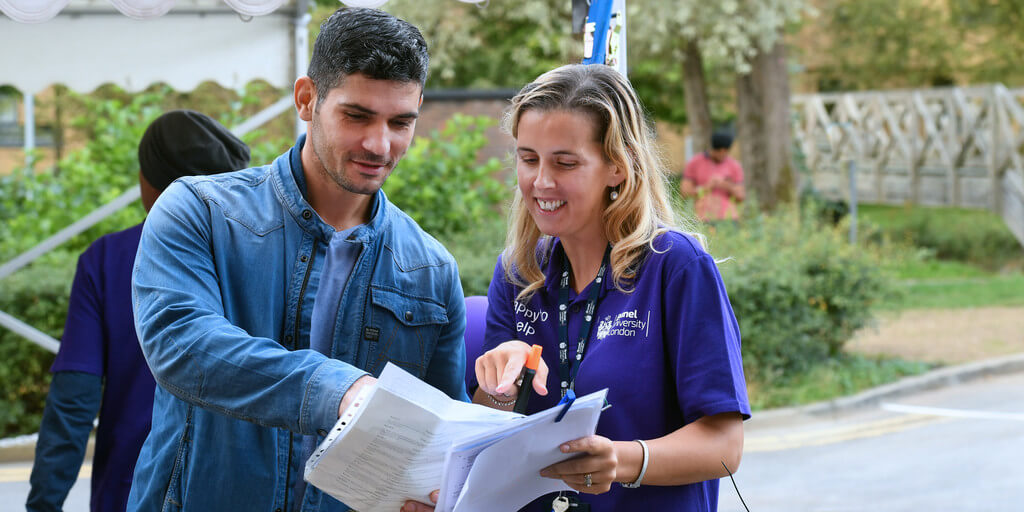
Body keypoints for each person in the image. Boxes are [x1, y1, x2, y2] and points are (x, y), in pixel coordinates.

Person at [127, 8, 467, 512]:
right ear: (307, 99)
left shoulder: (431, 269)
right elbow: (180, 344)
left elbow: (439, 437)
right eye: (357, 116)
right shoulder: (199, 210)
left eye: (400, 122)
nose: (379, 144)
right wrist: (340, 390)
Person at [473, 64, 751, 511]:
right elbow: (488, 432)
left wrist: (622, 461)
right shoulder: (516, 272)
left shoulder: (675, 266)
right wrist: (498, 387)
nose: (541, 182)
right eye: (529, 159)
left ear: (617, 167)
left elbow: (724, 446)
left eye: (565, 163)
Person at [26, 110, 250, 512]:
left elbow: (74, 399)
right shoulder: (263, 260)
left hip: (130, 490)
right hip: (237, 490)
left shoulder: (106, 260)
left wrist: (43, 504)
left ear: (149, 182)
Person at [680, 131, 746, 221]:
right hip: (703, 219)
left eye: (725, 151)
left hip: (729, 219)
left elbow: (741, 197)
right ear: (712, 148)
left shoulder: (734, 165)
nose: (722, 154)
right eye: (718, 151)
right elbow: (684, 193)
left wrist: (725, 185)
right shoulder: (695, 162)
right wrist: (706, 187)